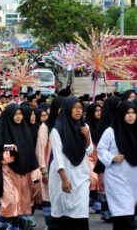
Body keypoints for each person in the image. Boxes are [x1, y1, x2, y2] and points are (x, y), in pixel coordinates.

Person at [0, 103, 39, 229]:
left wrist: (34, 171)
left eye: (20, 114)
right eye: (15, 114)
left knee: (22, 200)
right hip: (8, 172)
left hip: (24, 173)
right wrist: (9, 153)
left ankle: (16, 225)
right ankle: (5, 224)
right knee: (10, 200)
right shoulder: (2, 131)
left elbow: (30, 152)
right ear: (9, 116)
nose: (18, 117)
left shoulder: (25, 130)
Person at [48, 97, 93, 230]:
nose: (79, 111)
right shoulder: (57, 130)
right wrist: (64, 179)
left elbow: (89, 151)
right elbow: (57, 157)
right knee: (62, 211)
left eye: (80, 108)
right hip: (62, 175)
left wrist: (88, 137)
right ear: (68, 109)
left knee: (81, 210)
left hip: (81, 175)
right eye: (75, 107)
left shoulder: (84, 127)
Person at [97, 100, 137, 230]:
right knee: (123, 212)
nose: (131, 116)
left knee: (128, 211)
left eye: (133, 113)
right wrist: (112, 157)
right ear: (121, 114)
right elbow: (101, 149)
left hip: (133, 178)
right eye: (127, 113)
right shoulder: (111, 131)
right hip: (116, 178)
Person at [35, 96, 64, 229]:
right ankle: (49, 224)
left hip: (65, 168)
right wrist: (43, 170)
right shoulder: (45, 126)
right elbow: (40, 150)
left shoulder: (67, 124)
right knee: (48, 197)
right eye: (60, 108)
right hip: (49, 167)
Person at [85, 103, 102, 213]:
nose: (99, 113)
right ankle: (93, 199)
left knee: (99, 179)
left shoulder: (103, 124)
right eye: (96, 111)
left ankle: (96, 201)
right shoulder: (86, 126)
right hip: (89, 156)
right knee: (93, 178)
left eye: (100, 110)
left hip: (99, 157)